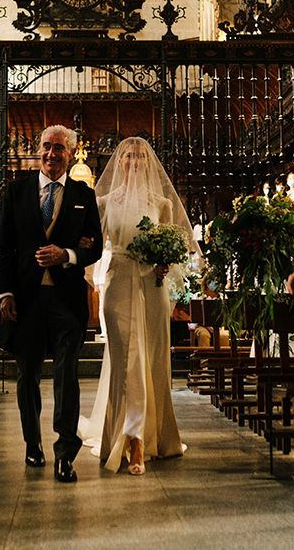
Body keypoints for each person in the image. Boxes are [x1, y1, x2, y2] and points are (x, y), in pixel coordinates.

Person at [79, 137, 200, 475]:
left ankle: (155, 435)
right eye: (128, 156)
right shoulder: (104, 202)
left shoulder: (161, 204)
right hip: (118, 284)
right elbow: (89, 246)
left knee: (152, 360)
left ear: (149, 163)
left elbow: (179, 246)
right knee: (126, 360)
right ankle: (132, 439)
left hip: (152, 284)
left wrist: (165, 263)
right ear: (119, 163)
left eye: (140, 157)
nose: (134, 161)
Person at [0, 124, 102, 483]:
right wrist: (4, 292)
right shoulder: (16, 191)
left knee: (67, 376)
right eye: (46, 146)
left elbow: (94, 247)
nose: (51, 154)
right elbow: (5, 247)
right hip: (24, 299)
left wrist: (67, 254)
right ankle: (32, 444)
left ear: (70, 154)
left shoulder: (83, 195)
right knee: (28, 376)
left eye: (59, 148)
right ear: (37, 150)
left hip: (67, 300)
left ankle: (65, 454)